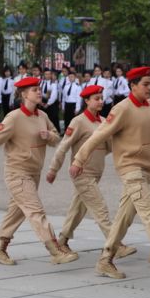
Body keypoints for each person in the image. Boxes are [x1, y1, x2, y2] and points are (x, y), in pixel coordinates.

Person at [69, 66, 150, 280]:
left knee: (123, 218)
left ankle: (105, 260)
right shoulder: (121, 109)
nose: (149, 88)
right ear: (133, 86)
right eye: (145, 84)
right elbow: (98, 135)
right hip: (130, 169)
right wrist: (79, 160)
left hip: (148, 170)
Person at [0, 75, 77, 265]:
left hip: (34, 173)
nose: (39, 92)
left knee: (16, 211)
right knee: (35, 210)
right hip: (17, 173)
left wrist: (48, 135)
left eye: (39, 89)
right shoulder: (14, 118)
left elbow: (57, 139)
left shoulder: (43, 116)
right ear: (24, 95)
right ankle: (55, 250)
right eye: (35, 90)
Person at [47, 84, 135, 259]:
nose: (100, 101)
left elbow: (109, 147)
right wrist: (53, 169)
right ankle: (115, 245)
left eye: (102, 98)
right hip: (82, 173)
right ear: (86, 101)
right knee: (100, 209)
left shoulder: (103, 122)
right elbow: (63, 147)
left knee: (78, 209)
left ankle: (62, 240)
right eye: (96, 99)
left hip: (96, 173)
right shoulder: (78, 121)